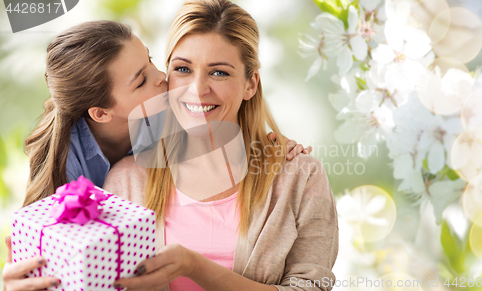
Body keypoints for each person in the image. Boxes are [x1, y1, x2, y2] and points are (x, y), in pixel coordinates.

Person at [2, 20, 310, 291]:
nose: (163, 76)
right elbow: (52, 266)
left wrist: (267, 141)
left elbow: (220, 117)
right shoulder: (69, 166)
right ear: (101, 113)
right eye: (141, 80)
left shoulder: (167, 116)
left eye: (150, 60)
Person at [103, 1, 339, 290]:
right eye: (183, 69)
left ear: (251, 84)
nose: (198, 90)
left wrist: (195, 266)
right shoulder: (125, 181)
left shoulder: (300, 176)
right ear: (166, 77)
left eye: (219, 73)